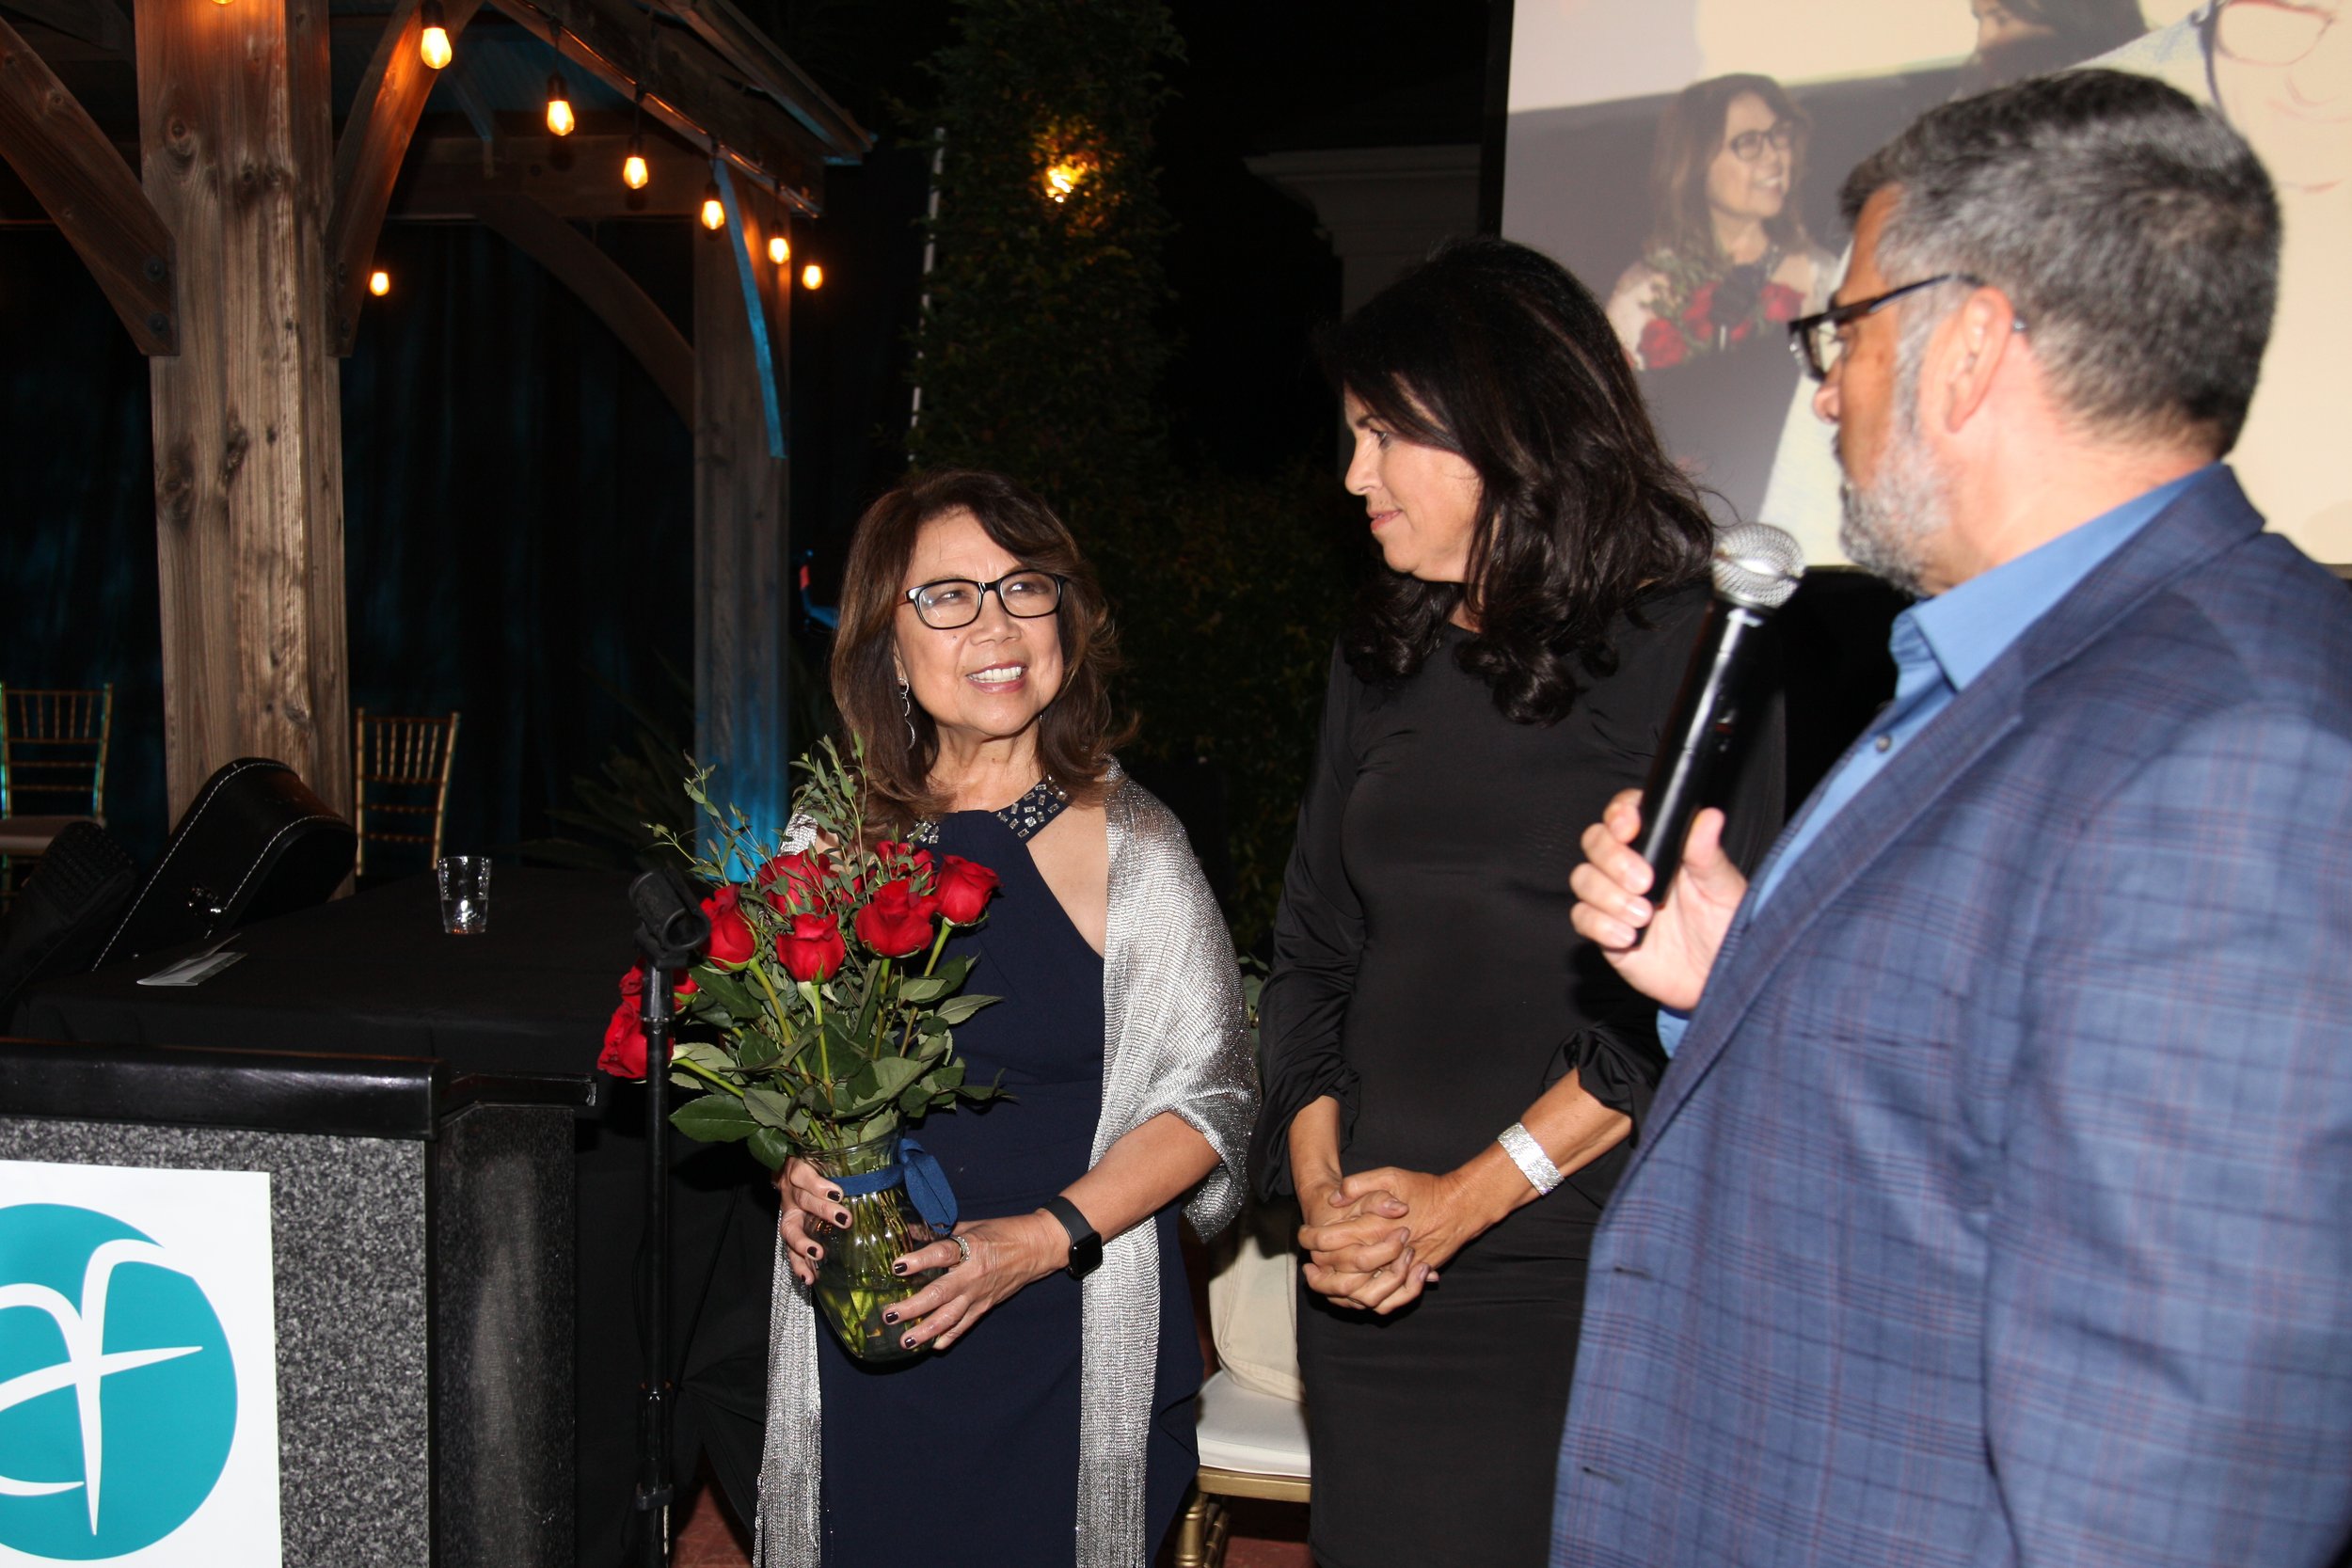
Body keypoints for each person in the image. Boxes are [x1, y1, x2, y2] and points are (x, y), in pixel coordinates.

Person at [1559, 71, 2352, 1567]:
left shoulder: (2244, 752)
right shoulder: (1999, 660)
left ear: (1970, 341)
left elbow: (2178, 1487)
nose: (1822, 380)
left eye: (1842, 328)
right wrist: (1743, 974)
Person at [1249, 237, 1784, 1568]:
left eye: (1384, 436)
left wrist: (1468, 1199)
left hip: (1569, 1263)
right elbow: (1314, 942)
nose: (1353, 475)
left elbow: (1700, 1000)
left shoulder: (1691, 649)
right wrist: (1327, 1197)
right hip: (1367, 1266)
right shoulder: (1382, 650)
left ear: (1506, 427)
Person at [748, 469, 1257, 1566]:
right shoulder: (826, 838)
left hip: (1060, 1329)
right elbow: (798, 1071)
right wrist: (797, 1166)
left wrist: (1038, 1241)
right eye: (946, 595)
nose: (995, 623)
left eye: (1024, 587)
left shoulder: (1137, 845)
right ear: (887, 639)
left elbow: (1210, 1100)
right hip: (870, 1319)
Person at [1605, 74, 1838, 373]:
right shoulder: (1642, 294)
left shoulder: (1823, 275)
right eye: (1749, 142)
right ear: (1696, 163)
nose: (1774, 157)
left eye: (1779, 134)